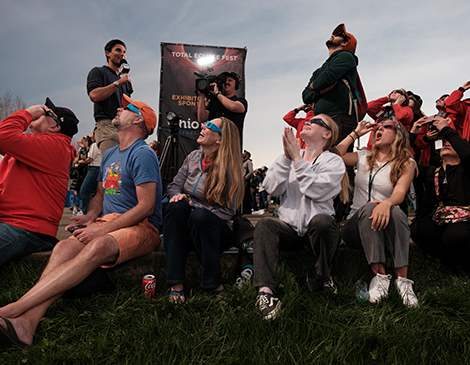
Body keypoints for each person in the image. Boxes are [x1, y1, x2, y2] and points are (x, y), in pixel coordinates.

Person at [0, 95, 161, 347]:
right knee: (63, 246)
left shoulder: (143, 153)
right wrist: (89, 217)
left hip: (141, 227)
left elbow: (146, 207)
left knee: (97, 246)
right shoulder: (110, 155)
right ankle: (26, 325)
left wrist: (103, 230)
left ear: (138, 119)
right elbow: (99, 196)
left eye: (126, 107)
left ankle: (13, 309)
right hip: (109, 222)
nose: (118, 108)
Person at [253, 114, 349, 320]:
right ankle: (265, 292)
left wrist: (297, 160)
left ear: (327, 134)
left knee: (322, 221)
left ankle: (323, 277)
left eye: (317, 122)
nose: (309, 121)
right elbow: (271, 188)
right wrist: (287, 158)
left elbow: (316, 189)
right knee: (265, 224)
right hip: (291, 230)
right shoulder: (290, 157)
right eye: (308, 120)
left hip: (318, 231)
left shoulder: (333, 161)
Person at [338, 118, 418, 307]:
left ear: (398, 134)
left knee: (397, 211)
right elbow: (332, 155)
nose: (378, 129)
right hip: (355, 227)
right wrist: (356, 134)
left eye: (385, 127)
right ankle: (379, 276)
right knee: (370, 207)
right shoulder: (364, 156)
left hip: (386, 223)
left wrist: (387, 203)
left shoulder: (407, 162)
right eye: (377, 128)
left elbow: (399, 193)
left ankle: (402, 281)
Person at [163, 117, 244, 302]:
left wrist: (195, 207)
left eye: (209, 126)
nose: (202, 126)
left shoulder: (231, 167)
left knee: (199, 216)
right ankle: (176, 283)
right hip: (190, 225)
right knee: (176, 206)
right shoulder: (192, 157)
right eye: (205, 123)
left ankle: (214, 283)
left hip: (217, 230)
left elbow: (228, 212)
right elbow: (174, 186)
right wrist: (177, 196)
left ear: (220, 139)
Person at [0, 98, 78, 268]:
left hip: (28, 228)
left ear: (54, 127)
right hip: (11, 222)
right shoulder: (31, 146)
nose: (40, 112)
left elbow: (2, 136)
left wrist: (27, 113)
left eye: (46, 113)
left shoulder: (56, 146)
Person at [410, 117, 470, 275]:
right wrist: (412, 134)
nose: (447, 143)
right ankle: (452, 262)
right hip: (440, 220)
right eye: (445, 142)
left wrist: (446, 130)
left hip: (465, 222)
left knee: (455, 234)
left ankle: (465, 263)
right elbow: (406, 162)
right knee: (418, 228)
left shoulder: (466, 169)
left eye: (452, 143)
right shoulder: (432, 172)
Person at [302, 24, 359, 147]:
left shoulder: (346, 56)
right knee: (320, 160)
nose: (332, 35)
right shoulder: (320, 69)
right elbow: (306, 97)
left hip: (340, 118)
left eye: (338, 35)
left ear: (344, 43)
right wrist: (319, 90)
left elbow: (326, 79)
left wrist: (314, 86)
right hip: (321, 120)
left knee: (338, 159)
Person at [87, 39, 133, 156]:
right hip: (108, 126)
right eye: (118, 50)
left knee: (124, 169)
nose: (122, 54)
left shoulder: (124, 80)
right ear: (107, 53)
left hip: (124, 128)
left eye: (124, 52)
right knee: (113, 169)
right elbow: (94, 95)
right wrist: (118, 83)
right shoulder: (99, 72)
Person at [196, 71, 247, 148]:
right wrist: (201, 97)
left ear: (236, 85)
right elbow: (201, 118)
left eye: (230, 80)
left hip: (231, 146)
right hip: (213, 145)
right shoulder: (214, 102)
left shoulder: (241, 101)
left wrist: (217, 93)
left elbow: (233, 107)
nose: (226, 82)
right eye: (224, 81)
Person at [79, 132, 102, 214]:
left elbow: (90, 159)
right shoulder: (95, 145)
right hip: (97, 168)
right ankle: (95, 212)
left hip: (94, 168)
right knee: (94, 192)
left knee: (84, 190)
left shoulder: (95, 145)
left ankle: (85, 211)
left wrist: (80, 162)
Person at [242, 150, 254, 214]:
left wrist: (245, 178)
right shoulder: (242, 162)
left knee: (246, 195)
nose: (242, 153)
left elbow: (251, 172)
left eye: (244, 153)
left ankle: (247, 210)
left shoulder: (248, 161)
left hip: (245, 181)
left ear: (247, 155)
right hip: (241, 181)